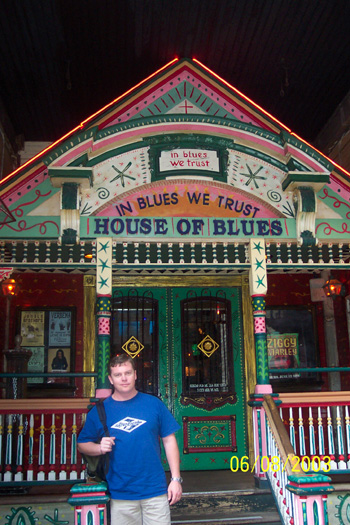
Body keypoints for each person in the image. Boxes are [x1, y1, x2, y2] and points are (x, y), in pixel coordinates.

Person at [77, 354, 182, 525]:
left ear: (135, 375)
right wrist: (99, 448)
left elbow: (169, 441)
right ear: (111, 379)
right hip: (120, 493)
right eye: (118, 375)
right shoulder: (99, 411)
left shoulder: (153, 404)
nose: (124, 378)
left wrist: (176, 479)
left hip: (154, 490)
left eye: (128, 373)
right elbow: (82, 444)